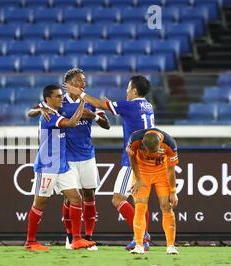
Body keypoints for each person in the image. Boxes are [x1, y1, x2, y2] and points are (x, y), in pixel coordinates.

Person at [64, 75, 154, 251]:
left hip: (133, 161)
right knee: (140, 201)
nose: (126, 91)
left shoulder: (130, 105)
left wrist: (80, 93)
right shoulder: (148, 105)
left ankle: (142, 234)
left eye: (128, 88)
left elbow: (99, 105)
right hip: (147, 160)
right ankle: (143, 239)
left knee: (118, 199)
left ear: (134, 91)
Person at [28, 68, 110, 250]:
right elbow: (30, 113)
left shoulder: (90, 101)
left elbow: (107, 126)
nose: (84, 83)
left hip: (87, 155)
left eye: (85, 80)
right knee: (70, 198)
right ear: (71, 83)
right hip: (66, 157)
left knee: (88, 195)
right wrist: (41, 110)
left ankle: (87, 237)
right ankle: (70, 236)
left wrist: (95, 116)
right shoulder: (58, 101)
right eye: (81, 80)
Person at [126, 128, 179, 255]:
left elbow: (171, 170)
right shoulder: (134, 139)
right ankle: (139, 245)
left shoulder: (170, 143)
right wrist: (138, 179)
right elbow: (132, 158)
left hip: (162, 174)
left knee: (166, 207)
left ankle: (170, 246)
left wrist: (173, 191)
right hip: (142, 174)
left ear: (160, 144)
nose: (150, 154)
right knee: (140, 208)